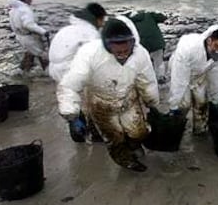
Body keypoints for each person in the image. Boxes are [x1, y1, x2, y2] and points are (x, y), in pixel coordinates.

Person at [57, 17, 159, 172]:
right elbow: (71, 83)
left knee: (139, 131)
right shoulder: (89, 53)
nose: (123, 55)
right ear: (107, 45)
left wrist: (151, 100)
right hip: (101, 103)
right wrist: (70, 111)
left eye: (126, 50)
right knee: (114, 138)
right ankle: (125, 160)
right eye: (118, 51)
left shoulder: (140, 54)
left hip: (128, 99)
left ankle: (133, 144)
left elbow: (147, 80)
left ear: (132, 43)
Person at [49, 3, 107, 143]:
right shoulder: (91, 34)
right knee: (94, 100)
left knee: (70, 98)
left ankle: (76, 126)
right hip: (72, 70)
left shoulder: (67, 30)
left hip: (56, 70)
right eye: (102, 20)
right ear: (97, 19)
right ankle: (95, 134)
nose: (103, 24)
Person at [168, 25, 218, 136]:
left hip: (200, 74)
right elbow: (179, 79)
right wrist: (174, 104)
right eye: (216, 46)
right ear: (209, 40)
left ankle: (200, 131)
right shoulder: (188, 48)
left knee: (202, 102)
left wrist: (216, 100)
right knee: (183, 104)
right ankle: (176, 129)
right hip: (181, 69)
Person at [7, 0, 49, 71]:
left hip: (20, 36)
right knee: (42, 55)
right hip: (29, 37)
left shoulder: (13, 9)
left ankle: (23, 71)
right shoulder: (25, 10)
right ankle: (48, 73)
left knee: (30, 53)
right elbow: (28, 25)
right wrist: (43, 31)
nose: (31, 1)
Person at [125, 10, 167, 84]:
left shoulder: (129, 21)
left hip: (143, 45)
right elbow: (163, 18)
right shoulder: (149, 15)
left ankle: (148, 79)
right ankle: (160, 77)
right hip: (157, 42)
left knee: (145, 63)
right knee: (159, 61)